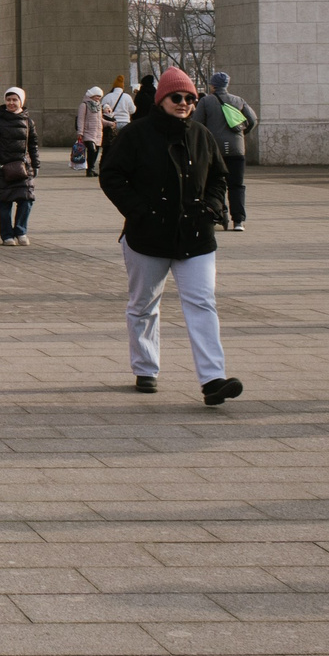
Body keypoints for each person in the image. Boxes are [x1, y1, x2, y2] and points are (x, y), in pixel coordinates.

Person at [98, 67, 241, 407]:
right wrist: (139, 211)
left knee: (202, 303)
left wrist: (212, 207)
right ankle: (146, 367)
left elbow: (219, 177)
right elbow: (111, 175)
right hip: (148, 235)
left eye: (190, 98)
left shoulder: (202, 135)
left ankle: (212, 380)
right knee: (144, 304)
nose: (184, 103)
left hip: (196, 235)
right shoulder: (135, 134)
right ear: (161, 99)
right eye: (176, 97)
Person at [199, 72, 256, 229]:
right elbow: (252, 120)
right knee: (236, 185)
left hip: (214, 150)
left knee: (215, 183)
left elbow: (197, 124)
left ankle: (220, 214)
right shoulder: (238, 100)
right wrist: (241, 134)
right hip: (237, 149)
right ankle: (238, 220)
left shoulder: (206, 101)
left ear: (212, 86)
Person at [0, 85, 40, 245]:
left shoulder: (28, 121)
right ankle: (7, 235)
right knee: (4, 203)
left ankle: (21, 231)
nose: (11, 103)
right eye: (8, 99)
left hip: (23, 168)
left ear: (21, 101)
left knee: (27, 200)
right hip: (2, 168)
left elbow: (33, 144)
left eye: (15, 100)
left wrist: (36, 163)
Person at [75, 86, 106, 177]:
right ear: (91, 95)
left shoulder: (99, 106)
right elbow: (81, 119)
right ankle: (89, 169)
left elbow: (101, 120)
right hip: (88, 132)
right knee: (92, 150)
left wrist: (110, 123)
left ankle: (91, 169)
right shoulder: (84, 105)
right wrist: (80, 132)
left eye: (100, 96)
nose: (98, 98)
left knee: (96, 151)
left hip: (98, 132)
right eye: (96, 96)